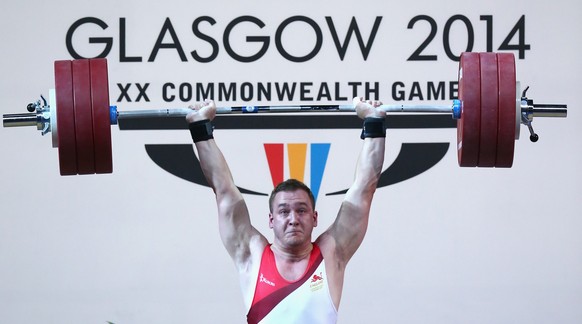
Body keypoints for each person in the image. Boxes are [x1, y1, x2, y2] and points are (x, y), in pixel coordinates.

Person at [186, 97, 386, 324]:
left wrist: (374, 123)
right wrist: (201, 128)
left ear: (314, 217)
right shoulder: (252, 255)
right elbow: (223, 191)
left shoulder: (332, 253)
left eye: (301, 210)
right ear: (271, 220)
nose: (293, 219)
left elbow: (365, 189)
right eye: (284, 212)